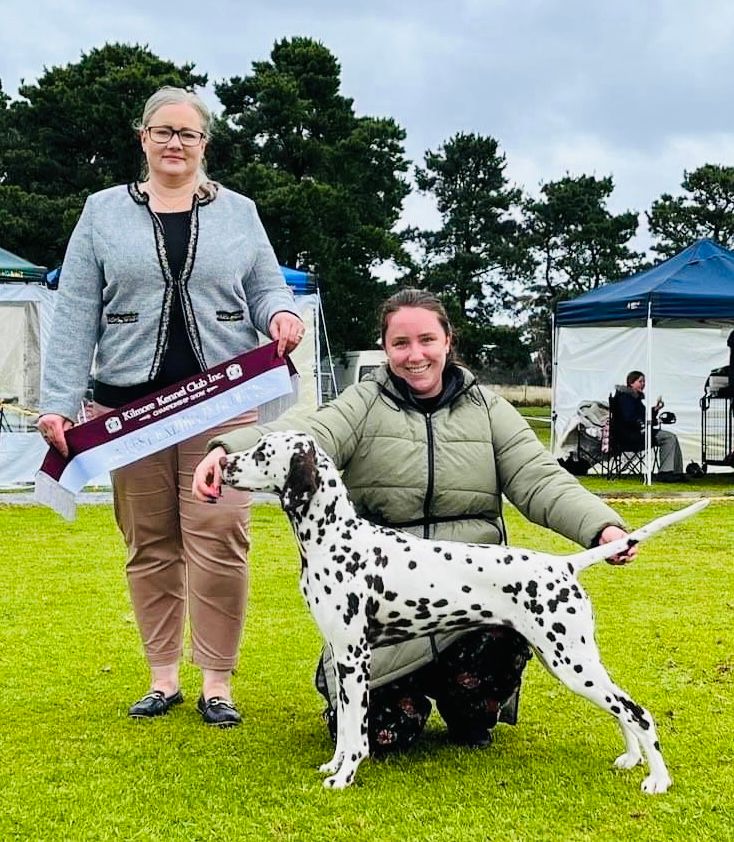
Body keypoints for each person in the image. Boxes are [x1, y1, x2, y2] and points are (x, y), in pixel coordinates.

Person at [193, 288, 637, 751]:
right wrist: (227, 451)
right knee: (382, 735)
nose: (415, 355)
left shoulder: (490, 411)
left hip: (472, 599)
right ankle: (394, 698)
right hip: (387, 600)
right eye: (400, 343)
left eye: (427, 340)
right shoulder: (361, 404)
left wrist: (601, 527)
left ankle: (469, 708)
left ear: (448, 341)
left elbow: (540, 479)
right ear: (385, 348)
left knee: (496, 651)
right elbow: (305, 436)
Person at [37, 86, 305, 727]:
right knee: (150, 543)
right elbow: (75, 312)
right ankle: (163, 677)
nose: (175, 143)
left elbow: (266, 285)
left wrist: (281, 313)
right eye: (163, 131)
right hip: (127, 411)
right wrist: (59, 402)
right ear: (144, 138)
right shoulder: (100, 212)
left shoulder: (241, 212)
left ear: (204, 143)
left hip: (224, 403)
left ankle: (217, 682)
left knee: (221, 536)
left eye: (187, 133)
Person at [613, 371, 685, 482]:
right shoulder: (626, 398)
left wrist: (655, 409)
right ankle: (666, 472)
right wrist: (646, 423)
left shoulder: (633, 398)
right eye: (640, 381)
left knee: (672, 437)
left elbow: (641, 416)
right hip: (632, 436)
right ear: (631, 383)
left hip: (638, 433)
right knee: (669, 437)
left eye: (644, 382)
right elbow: (630, 418)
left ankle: (676, 472)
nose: (643, 384)